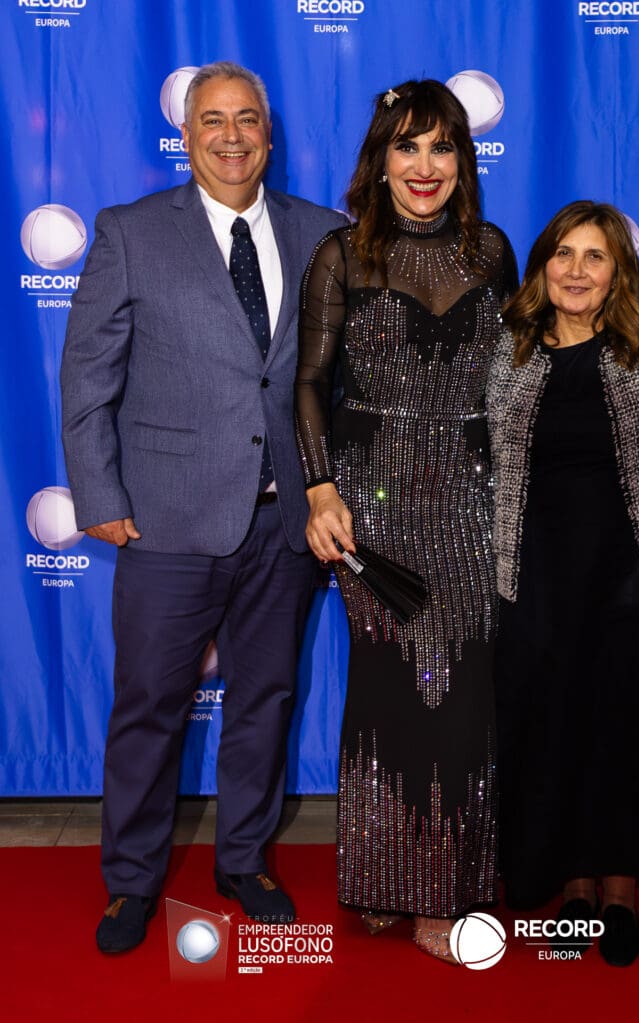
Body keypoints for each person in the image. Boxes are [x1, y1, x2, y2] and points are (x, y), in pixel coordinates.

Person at [60, 61, 346, 954]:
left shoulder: (323, 234)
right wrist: (98, 494)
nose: (232, 136)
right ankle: (131, 880)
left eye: (247, 119)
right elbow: (86, 378)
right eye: (213, 120)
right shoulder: (131, 232)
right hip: (166, 519)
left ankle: (245, 860)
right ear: (185, 136)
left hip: (285, 524)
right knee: (149, 704)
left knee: (267, 697)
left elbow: (338, 381)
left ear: (270, 134)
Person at [295, 79, 518, 964]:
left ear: (463, 161)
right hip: (373, 504)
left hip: (470, 499)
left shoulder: (492, 252)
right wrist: (321, 489)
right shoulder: (341, 255)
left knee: (459, 693)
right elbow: (309, 383)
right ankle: (384, 877)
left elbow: (516, 381)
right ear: (380, 160)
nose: (425, 166)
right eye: (407, 146)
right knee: (392, 689)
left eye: (442, 147)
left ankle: (442, 888)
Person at [487, 200, 639, 966]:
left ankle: (619, 892)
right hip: (536, 577)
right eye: (563, 253)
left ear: (619, 270)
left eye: (595, 256)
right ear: (542, 266)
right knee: (554, 728)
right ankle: (573, 886)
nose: (577, 270)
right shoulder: (510, 347)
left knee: (627, 731)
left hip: (637, 575)